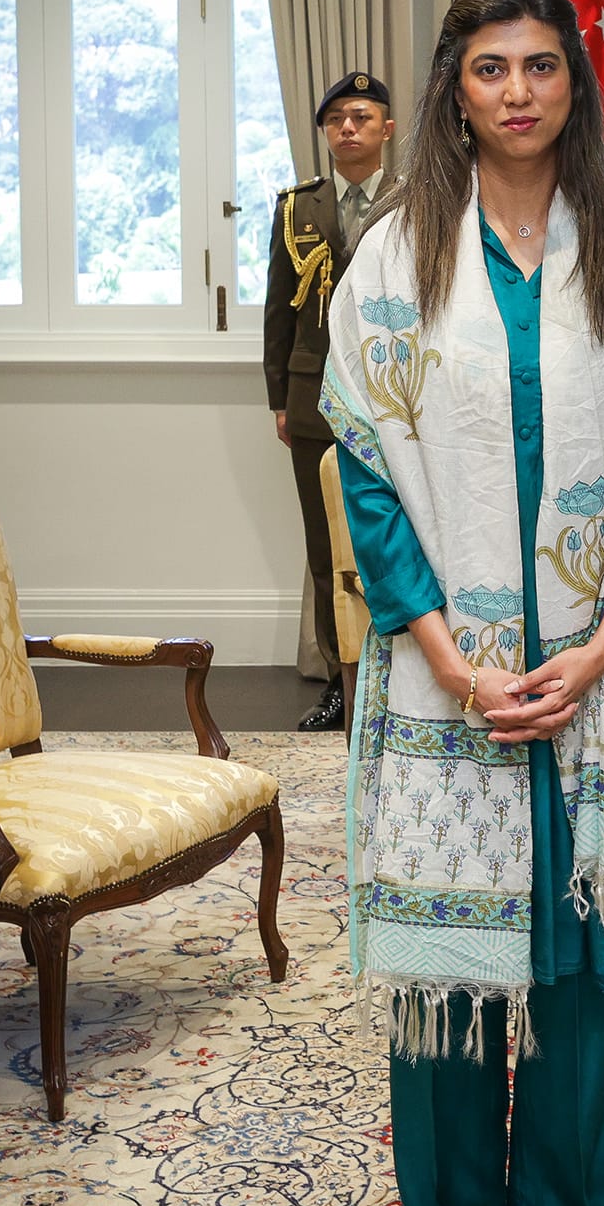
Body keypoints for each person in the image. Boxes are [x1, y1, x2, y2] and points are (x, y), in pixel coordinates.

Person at [321, 0, 604, 1206]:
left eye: (543, 64)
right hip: (447, 685)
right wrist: (446, 652)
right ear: (455, 90)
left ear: (573, 87)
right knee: (447, 992)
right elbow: (368, 474)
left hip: (589, 677)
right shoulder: (390, 257)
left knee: (586, 988)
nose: (521, 89)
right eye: (492, 68)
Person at [264, 70, 395, 731]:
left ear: (386, 130)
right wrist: (278, 399)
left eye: (362, 117)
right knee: (324, 549)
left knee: (395, 538)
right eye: (337, 118)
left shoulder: (416, 199)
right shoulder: (297, 208)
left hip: (396, 398)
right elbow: (278, 311)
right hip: (314, 398)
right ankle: (342, 682)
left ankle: (400, 673)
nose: (348, 127)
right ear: (324, 131)